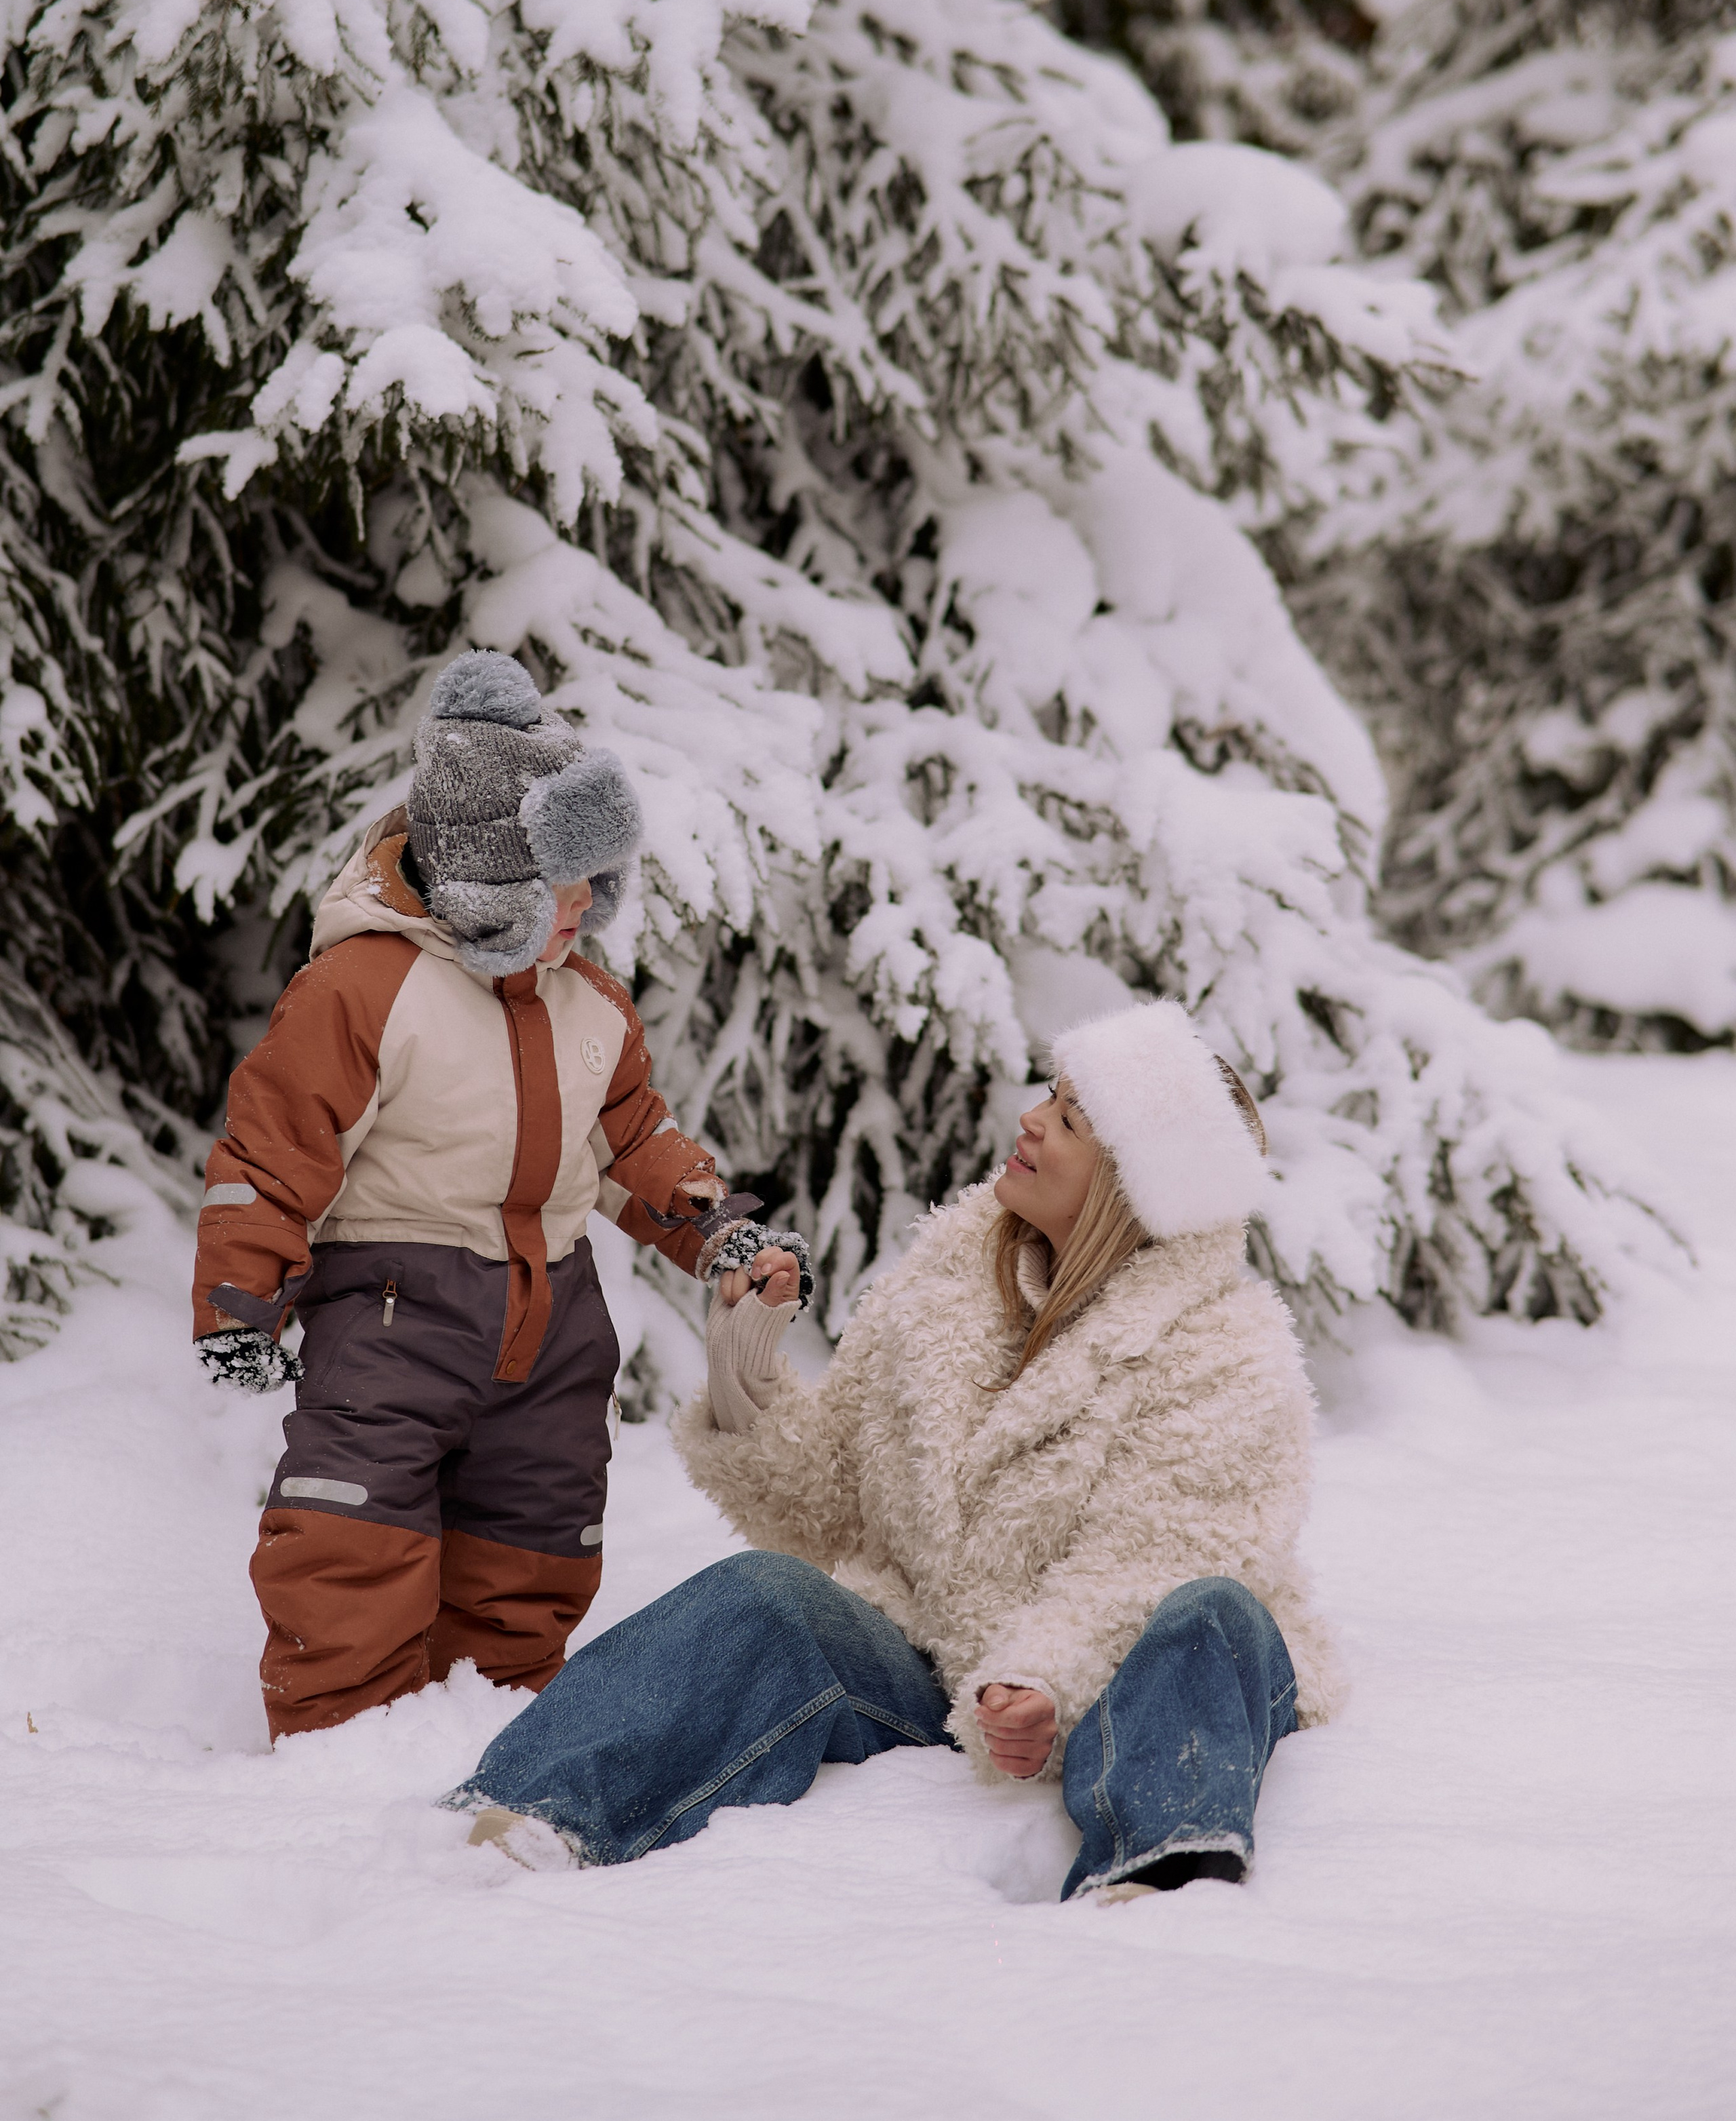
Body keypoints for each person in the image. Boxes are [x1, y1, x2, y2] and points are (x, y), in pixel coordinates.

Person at [441, 998, 1341, 1903]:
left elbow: (1142, 1570)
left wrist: (1041, 1679)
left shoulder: (1228, 1351)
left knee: (1210, 1620)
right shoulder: (950, 1275)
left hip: (1117, 1667)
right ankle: (538, 1808)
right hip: (937, 1656)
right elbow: (828, 1498)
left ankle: (1162, 1870)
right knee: (764, 1594)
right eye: (1048, 1096)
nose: (1029, 1118)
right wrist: (745, 1366)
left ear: (1126, 1187)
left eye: (1067, 1119)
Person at [191, 648, 807, 1739]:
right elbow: (277, 1143)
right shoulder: (367, 987)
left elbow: (635, 1142)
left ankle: (495, 1723)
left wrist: (719, 1232)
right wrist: (243, 1296)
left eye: (594, 887)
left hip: (554, 1319)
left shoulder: (592, 1003)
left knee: (539, 1525)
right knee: (354, 1527)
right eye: (560, 890)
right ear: (486, 884)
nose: (586, 912)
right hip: (391, 1309)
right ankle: (338, 1743)